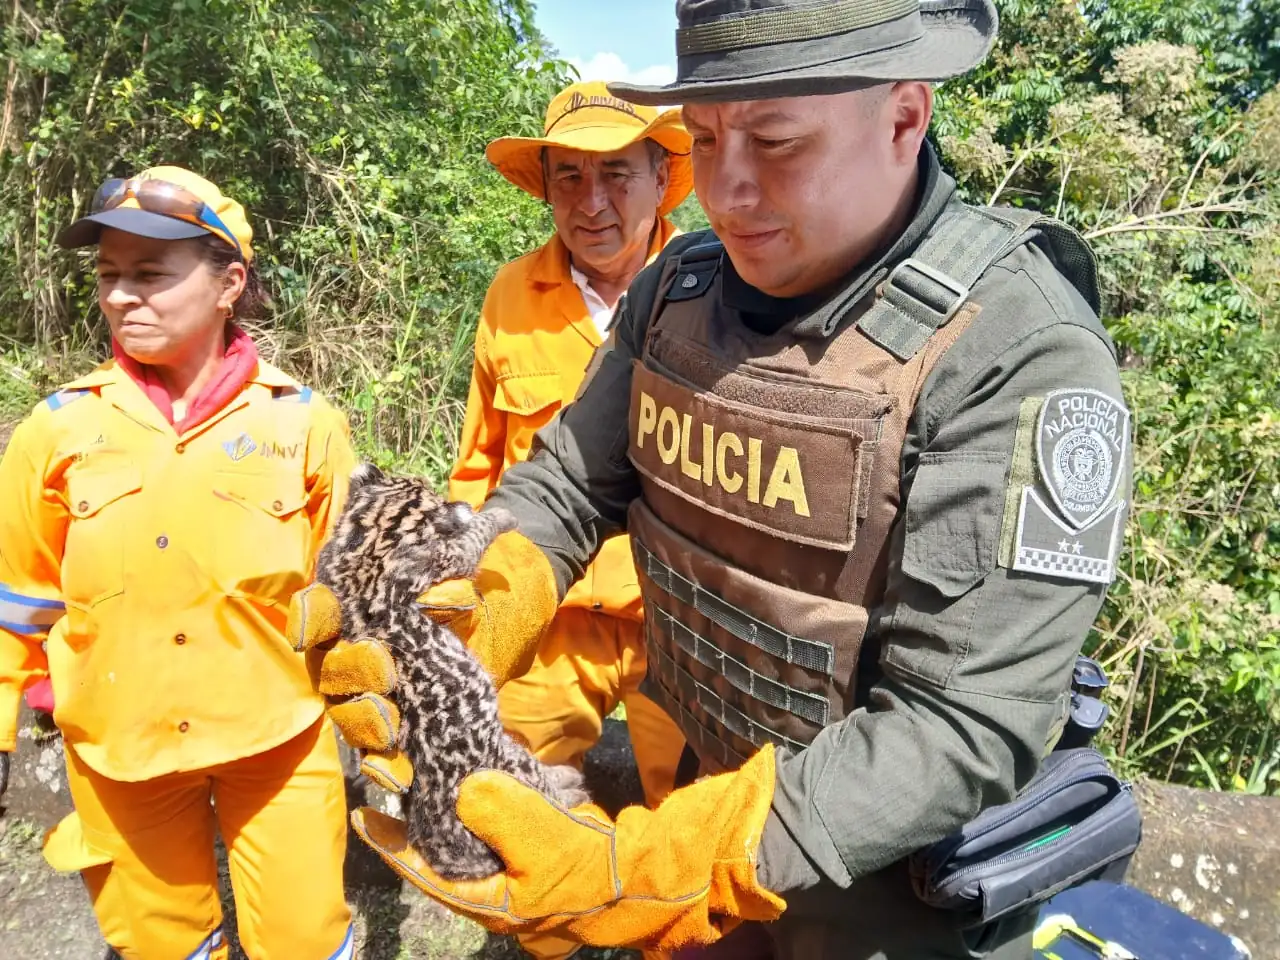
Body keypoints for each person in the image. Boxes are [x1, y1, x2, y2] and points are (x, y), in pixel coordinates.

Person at [291, 0, 1134, 957]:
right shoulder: (676, 291)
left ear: (904, 116)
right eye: (703, 137)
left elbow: (967, 720)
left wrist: (677, 860)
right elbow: (568, 483)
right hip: (700, 789)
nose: (726, 191)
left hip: (885, 889)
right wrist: (470, 613)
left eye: (775, 140)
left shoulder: (1015, 351)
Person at [0, 167, 358, 960]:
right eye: (109, 276)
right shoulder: (56, 430)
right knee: (166, 945)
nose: (124, 296)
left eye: (151, 274)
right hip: (120, 752)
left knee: (304, 941)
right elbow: (16, 599)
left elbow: (351, 591)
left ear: (229, 282)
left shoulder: (301, 423)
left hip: (278, 741)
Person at [451, 78, 694, 820]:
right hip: (549, 614)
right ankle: (550, 937)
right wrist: (460, 588)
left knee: (701, 825)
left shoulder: (720, 286)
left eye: (616, 173)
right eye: (569, 176)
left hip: (682, 623)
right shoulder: (512, 294)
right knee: (512, 804)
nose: (591, 201)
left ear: (661, 179)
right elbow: (479, 460)